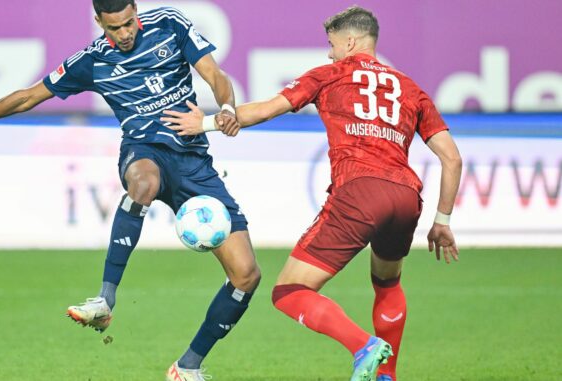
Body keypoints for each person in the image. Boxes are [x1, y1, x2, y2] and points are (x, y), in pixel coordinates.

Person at [0, 1, 261, 380]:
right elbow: (27, 96)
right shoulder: (91, 61)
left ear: (136, 11)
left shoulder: (169, 23)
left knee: (246, 275)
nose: (124, 34)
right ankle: (106, 298)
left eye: (128, 24)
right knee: (144, 183)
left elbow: (214, 74)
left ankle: (188, 366)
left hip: (195, 163)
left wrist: (225, 109)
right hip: (144, 151)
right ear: (98, 23)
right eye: (113, 28)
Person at [161, 6, 462, 381]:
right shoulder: (411, 88)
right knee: (387, 282)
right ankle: (387, 375)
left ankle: (362, 345)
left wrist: (205, 123)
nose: (329, 53)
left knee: (288, 291)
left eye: (332, 44)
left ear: (350, 41)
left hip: (359, 191)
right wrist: (442, 221)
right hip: (405, 196)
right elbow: (451, 158)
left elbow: (268, 110)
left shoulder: (331, 74)